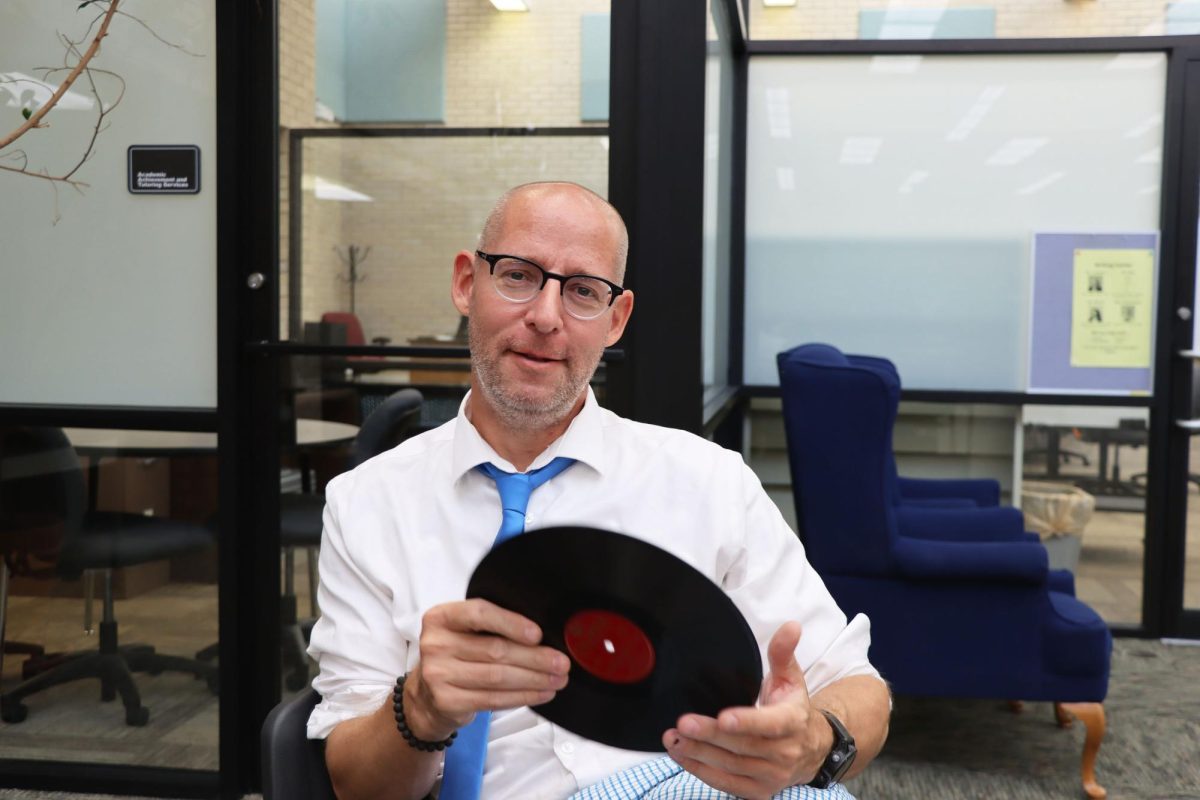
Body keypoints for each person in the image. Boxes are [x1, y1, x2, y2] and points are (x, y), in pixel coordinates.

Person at [306, 181, 892, 800]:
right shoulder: (365, 503)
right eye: (518, 275)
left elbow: (858, 686)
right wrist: (419, 708)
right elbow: (354, 784)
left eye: (584, 291)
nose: (546, 317)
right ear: (465, 284)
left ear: (616, 320)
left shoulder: (708, 482)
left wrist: (815, 744)